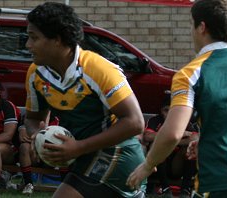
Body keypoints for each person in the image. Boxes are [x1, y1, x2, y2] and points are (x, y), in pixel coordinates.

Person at [24, 2, 146, 198]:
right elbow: (32, 119)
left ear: (57, 40)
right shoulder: (35, 74)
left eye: (33, 38)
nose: (27, 45)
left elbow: (135, 122)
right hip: (82, 157)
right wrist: (37, 136)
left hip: (117, 155)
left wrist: (78, 147)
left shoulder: (98, 69)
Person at [126, 0, 227, 197]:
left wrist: (148, 165)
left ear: (201, 27)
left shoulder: (192, 73)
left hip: (222, 178)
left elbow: (173, 133)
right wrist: (205, 136)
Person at [143, 96, 198, 198]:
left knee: (191, 148)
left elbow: (194, 138)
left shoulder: (185, 121)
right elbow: (147, 136)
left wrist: (169, 141)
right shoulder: (155, 120)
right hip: (157, 165)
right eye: (166, 110)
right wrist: (179, 135)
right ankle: (165, 190)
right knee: (159, 147)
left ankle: (185, 191)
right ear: (161, 111)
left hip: (176, 166)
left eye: (171, 110)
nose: (168, 114)